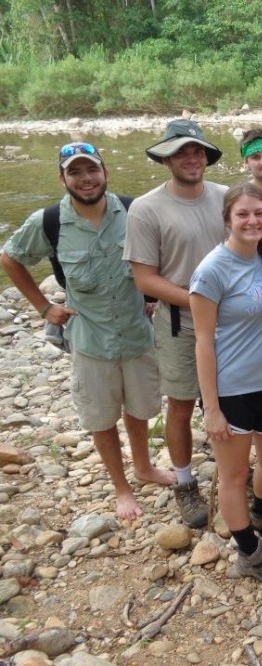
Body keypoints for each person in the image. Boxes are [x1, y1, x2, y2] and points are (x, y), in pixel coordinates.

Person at [1, 143, 174, 520]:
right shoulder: (48, 222)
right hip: (89, 339)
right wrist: (44, 307)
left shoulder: (134, 211)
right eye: (75, 172)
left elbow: (159, 254)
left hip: (137, 334)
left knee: (140, 407)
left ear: (105, 172)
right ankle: (121, 487)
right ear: (62, 178)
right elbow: (10, 258)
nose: (85, 179)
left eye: (91, 170)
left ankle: (144, 467)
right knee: (100, 417)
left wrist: (151, 293)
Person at [190, 183, 262, 586]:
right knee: (234, 475)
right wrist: (212, 407)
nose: (253, 221)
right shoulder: (211, 270)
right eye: (243, 214)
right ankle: (249, 553)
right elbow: (203, 341)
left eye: (259, 213)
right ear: (228, 220)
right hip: (231, 389)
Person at [124, 119, 228, 528]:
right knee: (182, 404)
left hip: (232, 322)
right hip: (179, 323)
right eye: (182, 151)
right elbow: (144, 277)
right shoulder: (147, 208)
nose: (191, 158)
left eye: (197, 150)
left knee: (232, 402)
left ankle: (235, 472)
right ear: (166, 157)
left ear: (206, 156)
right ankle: (184, 482)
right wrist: (199, 302)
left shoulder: (225, 197)